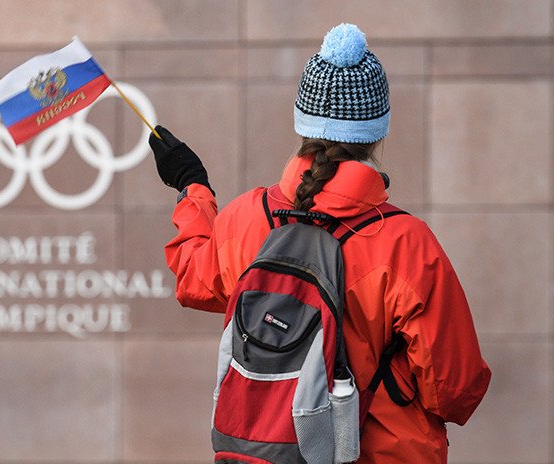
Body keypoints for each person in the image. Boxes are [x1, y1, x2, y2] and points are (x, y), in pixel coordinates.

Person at [147, 23, 491, 464]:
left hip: (266, 452)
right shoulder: (406, 244)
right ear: (376, 131)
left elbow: (194, 279)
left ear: (302, 121)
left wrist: (192, 187)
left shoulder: (250, 215)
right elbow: (455, 391)